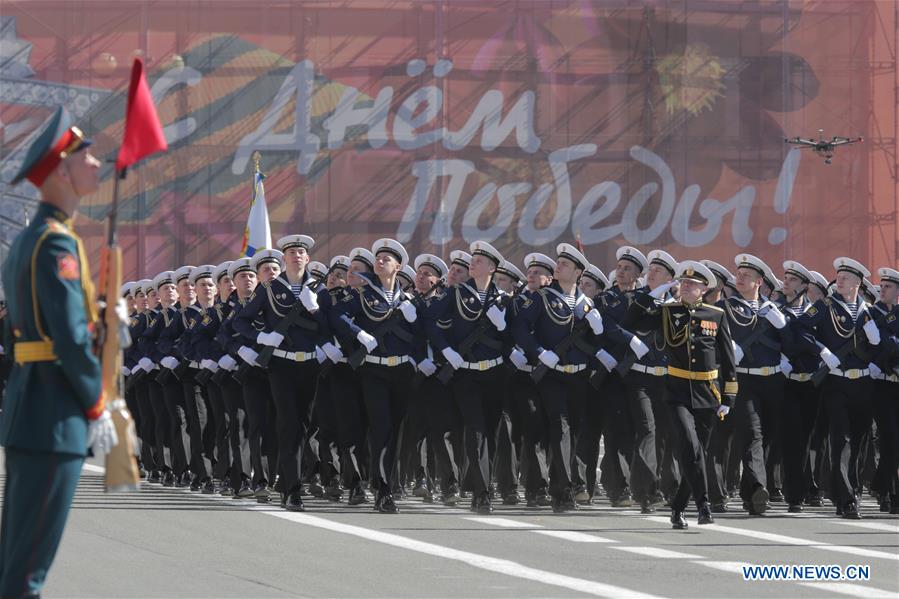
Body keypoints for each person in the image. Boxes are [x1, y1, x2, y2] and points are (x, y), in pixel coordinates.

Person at [0, 107, 117, 598]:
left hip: (34, 408)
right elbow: (69, 337)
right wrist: (97, 403)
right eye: (86, 157)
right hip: (55, 418)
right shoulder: (56, 245)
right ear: (62, 172)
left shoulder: (31, 241)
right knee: (28, 573)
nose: (96, 165)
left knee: (16, 562)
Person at [622, 260, 738, 529]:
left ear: (703, 289)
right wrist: (651, 294)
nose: (686, 287)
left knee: (697, 454)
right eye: (683, 283)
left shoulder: (715, 315)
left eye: (692, 284)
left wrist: (729, 398)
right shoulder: (666, 312)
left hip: (708, 393)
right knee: (689, 444)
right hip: (676, 391)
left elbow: (729, 361)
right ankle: (704, 504)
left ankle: (677, 508)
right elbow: (629, 321)